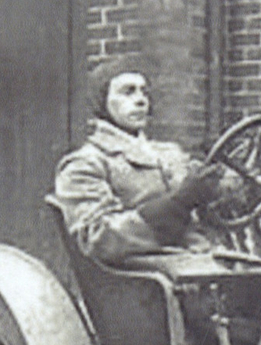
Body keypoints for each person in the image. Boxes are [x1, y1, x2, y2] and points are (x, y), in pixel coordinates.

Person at [51, 58, 225, 264]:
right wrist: (178, 203)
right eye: (128, 92)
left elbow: (220, 214)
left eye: (144, 91)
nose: (141, 100)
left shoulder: (171, 154)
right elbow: (99, 239)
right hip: (150, 276)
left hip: (204, 261)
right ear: (102, 101)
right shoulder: (86, 164)